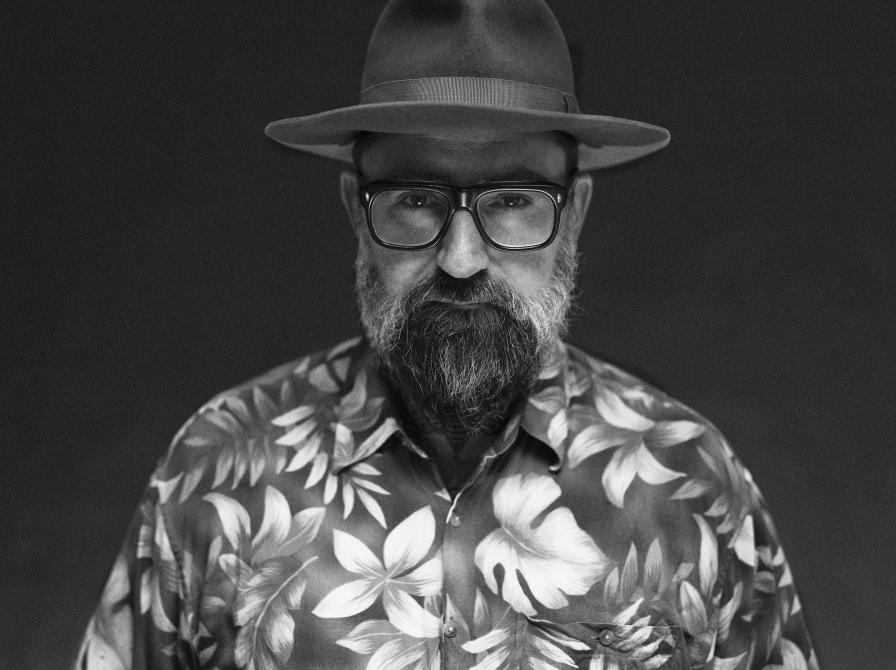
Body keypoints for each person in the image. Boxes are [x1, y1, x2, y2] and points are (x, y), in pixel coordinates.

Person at [76, 1, 818, 668]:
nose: (462, 259)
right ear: (355, 210)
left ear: (574, 217)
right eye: (415, 198)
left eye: (514, 199)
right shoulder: (216, 475)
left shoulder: (689, 486)